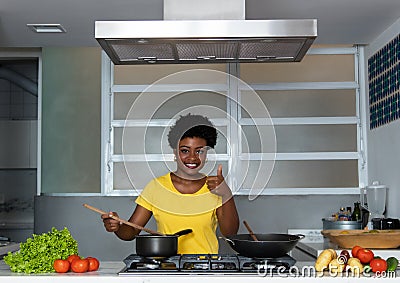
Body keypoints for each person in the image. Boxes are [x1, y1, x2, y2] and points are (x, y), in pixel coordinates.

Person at [102, 113, 239, 254]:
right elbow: (131, 231)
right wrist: (118, 227)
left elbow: (230, 233)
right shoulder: (156, 187)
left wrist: (226, 193)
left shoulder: (215, 187)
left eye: (199, 151)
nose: (192, 157)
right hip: (168, 267)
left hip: (205, 268)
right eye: (185, 150)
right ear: (175, 151)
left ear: (206, 153)